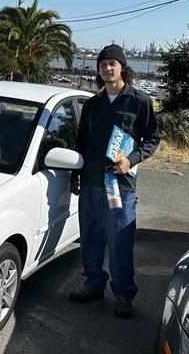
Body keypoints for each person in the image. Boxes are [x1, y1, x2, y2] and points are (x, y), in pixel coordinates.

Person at [69, 44, 160, 319]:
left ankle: (123, 294)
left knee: (120, 241)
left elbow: (152, 139)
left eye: (113, 63)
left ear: (123, 68)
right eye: (103, 64)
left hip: (120, 187)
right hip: (92, 183)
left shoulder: (139, 100)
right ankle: (93, 284)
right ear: (99, 70)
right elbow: (81, 143)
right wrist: (75, 175)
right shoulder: (92, 104)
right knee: (91, 238)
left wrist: (130, 160)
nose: (107, 68)